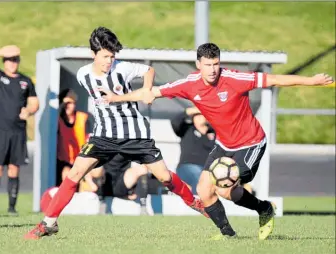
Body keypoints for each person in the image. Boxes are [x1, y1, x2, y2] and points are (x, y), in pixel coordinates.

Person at [102, 42, 334, 240]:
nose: (213, 70)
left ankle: (264, 209)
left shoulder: (235, 78)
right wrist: (115, 98)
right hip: (224, 145)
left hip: (251, 142)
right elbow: (150, 93)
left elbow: (274, 79)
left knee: (224, 189)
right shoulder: (189, 84)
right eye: (208, 65)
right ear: (198, 65)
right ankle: (228, 234)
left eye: (216, 64)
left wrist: (311, 80)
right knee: (204, 190)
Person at [24, 27, 208, 240]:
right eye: (104, 56)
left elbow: (148, 70)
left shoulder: (122, 68)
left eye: (112, 56)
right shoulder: (84, 75)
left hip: (135, 135)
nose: (108, 61)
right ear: (93, 54)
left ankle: (194, 202)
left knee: (165, 176)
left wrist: (147, 89)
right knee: (74, 174)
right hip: (104, 136)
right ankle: (49, 223)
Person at [0, 45, 39, 215]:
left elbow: (34, 103)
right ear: (4, 62)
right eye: (9, 60)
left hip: (18, 131)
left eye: (15, 59)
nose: (12, 63)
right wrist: (1, 51)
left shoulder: (25, 81)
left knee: (13, 168)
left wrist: (29, 110)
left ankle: (12, 207)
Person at [56, 88, 100, 192]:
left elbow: (91, 138)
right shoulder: (57, 119)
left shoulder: (83, 118)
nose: (68, 106)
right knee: (67, 174)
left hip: (82, 158)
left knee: (95, 175)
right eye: (66, 103)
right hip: (64, 160)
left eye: (71, 103)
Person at [172, 106, 215, 194]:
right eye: (196, 115)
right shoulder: (187, 129)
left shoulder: (214, 132)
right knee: (201, 179)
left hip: (208, 170)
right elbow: (175, 121)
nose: (199, 117)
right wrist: (194, 109)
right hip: (187, 167)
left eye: (201, 114)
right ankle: (198, 204)